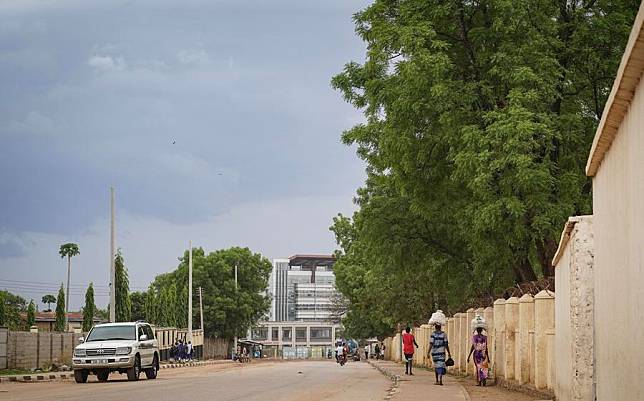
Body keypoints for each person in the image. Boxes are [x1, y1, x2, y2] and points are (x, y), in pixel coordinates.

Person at [428, 310, 451, 385]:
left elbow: (431, 344)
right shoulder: (444, 334)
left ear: (435, 327)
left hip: (434, 353)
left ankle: (437, 380)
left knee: (436, 366)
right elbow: (446, 344)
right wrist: (449, 353)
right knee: (441, 365)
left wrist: (428, 352)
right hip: (442, 352)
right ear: (440, 327)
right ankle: (441, 379)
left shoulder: (433, 334)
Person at [467, 315, 489, 386]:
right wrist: (488, 357)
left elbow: (473, 346)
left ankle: (479, 382)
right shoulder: (485, 337)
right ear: (482, 330)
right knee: (484, 367)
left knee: (478, 367)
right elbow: (486, 347)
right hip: (483, 354)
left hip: (476, 354)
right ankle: (484, 381)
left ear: (476, 330)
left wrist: (469, 355)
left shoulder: (475, 337)